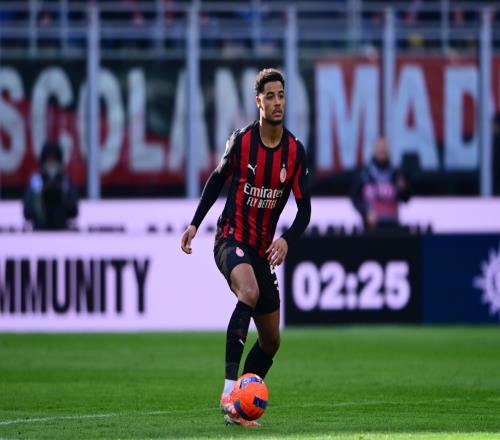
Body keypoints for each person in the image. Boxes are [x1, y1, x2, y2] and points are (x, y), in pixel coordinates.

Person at [180, 68, 311, 426]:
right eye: (270, 96)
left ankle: (239, 407)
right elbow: (216, 180)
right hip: (230, 237)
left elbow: (305, 210)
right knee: (248, 292)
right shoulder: (242, 142)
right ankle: (227, 392)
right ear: (258, 102)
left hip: (262, 249)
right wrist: (195, 223)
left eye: (281, 95)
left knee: (271, 341)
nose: (277, 102)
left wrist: (285, 239)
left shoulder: (295, 152)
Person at [351, 136, 409, 230]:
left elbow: (406, 199)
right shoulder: (364, 174)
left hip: (393, 226)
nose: (382, 150)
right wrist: (366, 211)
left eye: (384, 148)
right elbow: (355, 198)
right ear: (374, 150)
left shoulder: (397, 173)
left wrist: (403, 189)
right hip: (370, 227)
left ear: (389, 150)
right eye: (379, 148)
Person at [23, 141, 79, 230]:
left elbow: (74, 211)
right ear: (43, 161)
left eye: (54, 160)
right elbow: (27, 212)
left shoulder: (66, 183)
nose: (51, 163)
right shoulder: (35, 183)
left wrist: (62, 198)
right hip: (39, 231)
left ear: (59, 161)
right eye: (48, 160)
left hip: (62, 230)